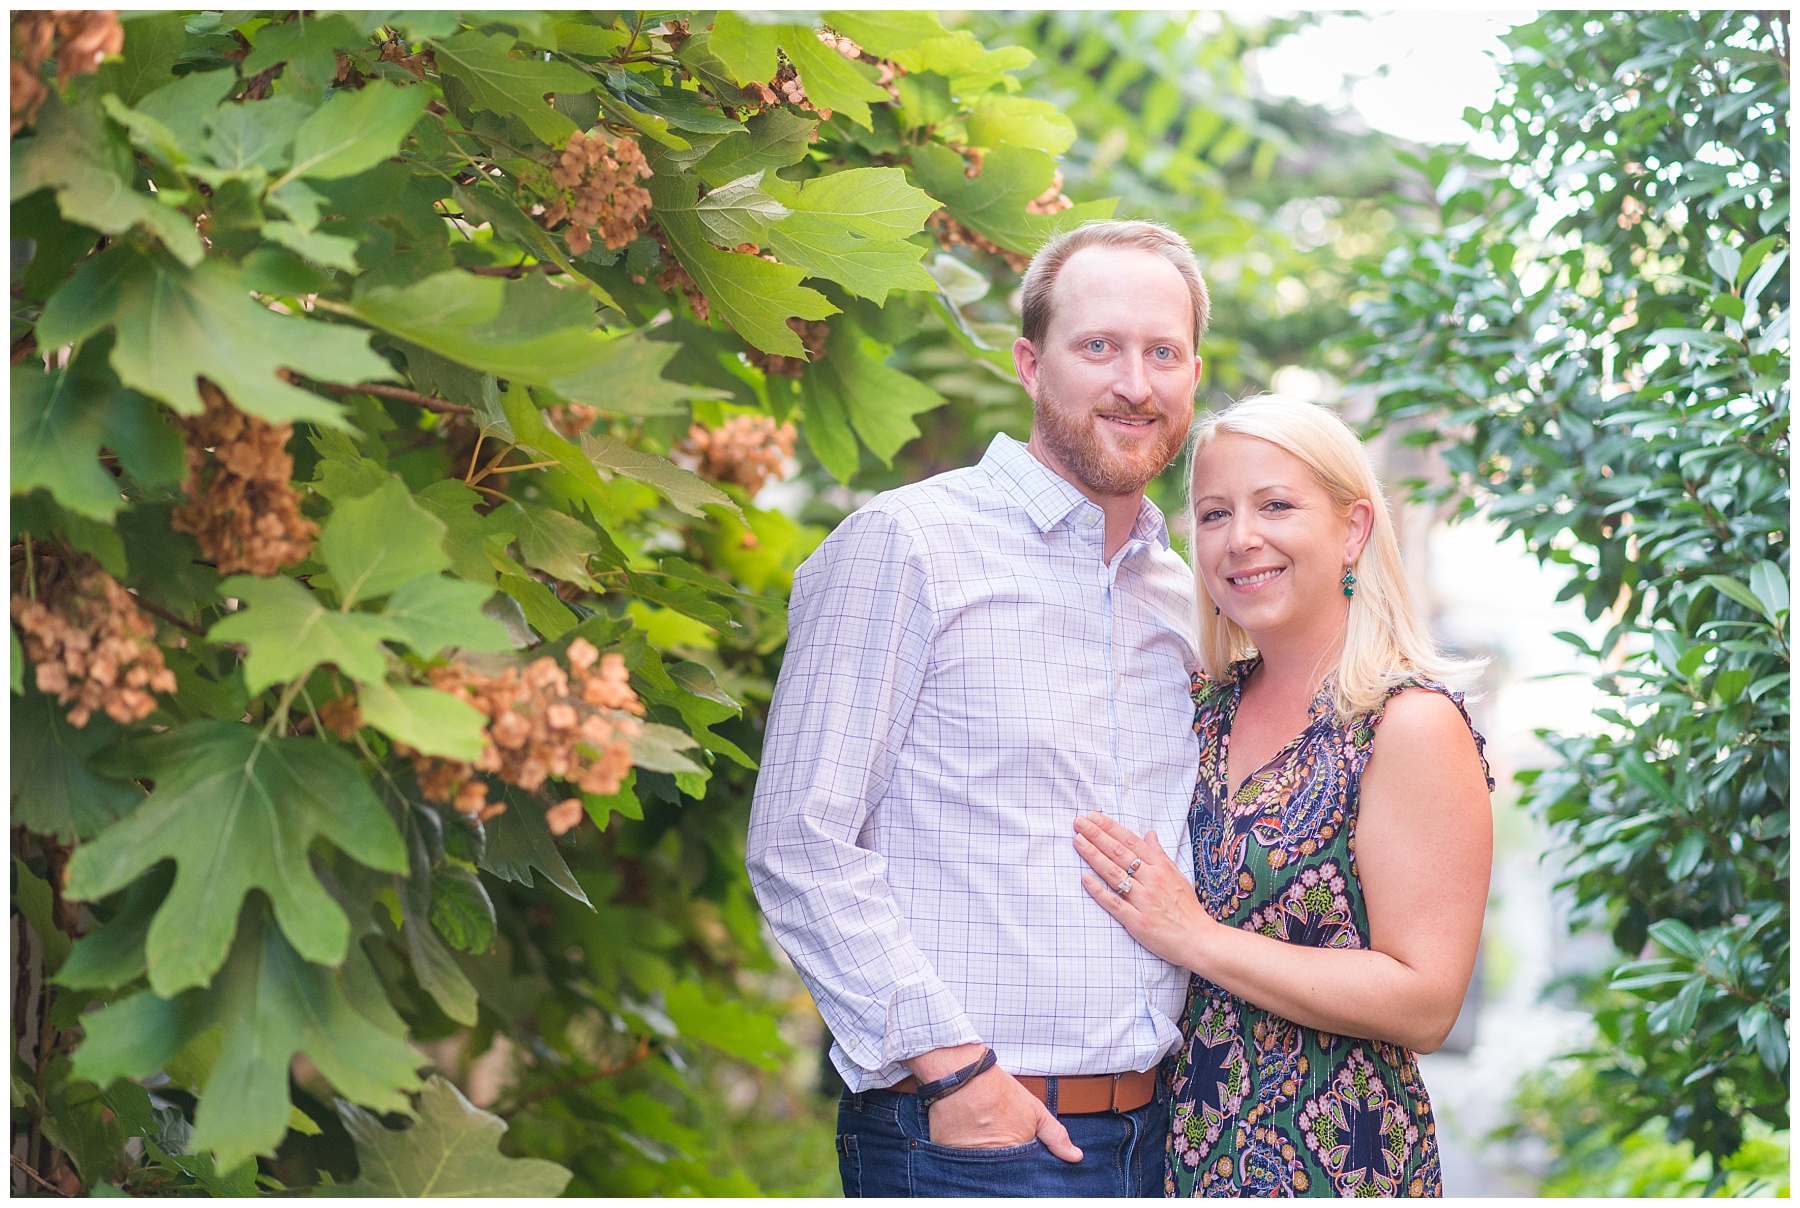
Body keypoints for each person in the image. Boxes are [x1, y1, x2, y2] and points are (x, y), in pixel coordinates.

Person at [746, 220, 1211, 1197]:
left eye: (1161, 351)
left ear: (1193, 375)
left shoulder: (1188, 595)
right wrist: (954, 1069)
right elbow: (800, 841)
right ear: (1030, 363)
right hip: (969, 1145)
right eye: (1099, 347)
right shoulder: (905, 546)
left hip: (1167, 1142)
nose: (1135, 381)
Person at [1071, 394, 1495, 1197]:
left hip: (1335, 1165)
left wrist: (1196, 938)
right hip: (1177, 1158)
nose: (1242, 539)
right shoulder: (1199, 711)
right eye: (1214, 513)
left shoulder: (1405, 725)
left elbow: (1426, 1002)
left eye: (1276, 505)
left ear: (1354, 529)